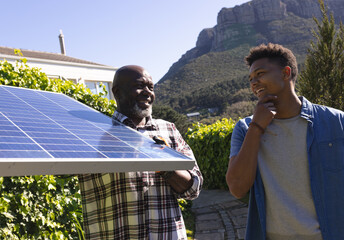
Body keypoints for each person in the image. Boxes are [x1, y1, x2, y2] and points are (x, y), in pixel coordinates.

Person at [226, 43, 344, 240]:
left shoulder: (336, 122)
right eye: (251, 78)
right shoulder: (245, 128)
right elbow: (237, 188)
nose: (254, 82)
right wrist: (257, 127)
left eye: (260, 73)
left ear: (285, 73)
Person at [78, 65, 203, 240]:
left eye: (150, 87)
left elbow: (194, 188)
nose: (147, 92)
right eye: (139, 86)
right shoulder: (92, 134)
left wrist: (166, 165)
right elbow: (60, 171)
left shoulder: (169, 130)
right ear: (117, 92)